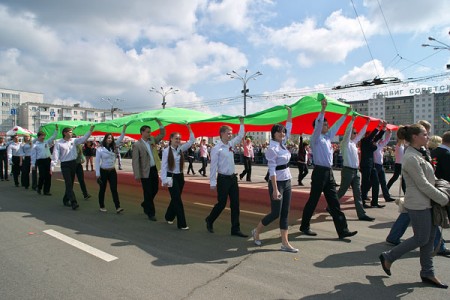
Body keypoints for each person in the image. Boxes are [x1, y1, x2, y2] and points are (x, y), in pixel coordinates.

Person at [379, 124, 449, 289]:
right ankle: (389, 256)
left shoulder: (421, 153)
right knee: (421, 238)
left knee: (429, 239)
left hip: (429, 202)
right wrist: (444, 199)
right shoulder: (410, 157)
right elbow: (423, 184)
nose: (428, 136)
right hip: (418, 204)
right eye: (424, 134)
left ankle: (427, 272)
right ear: (415, 137)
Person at [299, 98, 357, 239]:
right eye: (324, 124)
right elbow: (319, 125)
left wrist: (346, 115)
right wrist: (323, 110)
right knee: (313, 200)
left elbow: (337, 126)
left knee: (334, 203)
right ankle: (304, 226)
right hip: (319, 172)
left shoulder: (327, 137)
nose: (326, 125)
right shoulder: (316, 138)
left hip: (328, 173)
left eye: (327, 124)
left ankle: (343, 231)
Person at [251, 107, 298, 252]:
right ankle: (257, 231)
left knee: (285, 213)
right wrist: (276, 189)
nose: (282, 133)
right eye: (279, 131)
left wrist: (290, 113)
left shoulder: (283, 143)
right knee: (275, 213)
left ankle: (285, 243)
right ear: (273, 134)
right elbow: (272, 170)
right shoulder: (272, 148)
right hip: (277, 183)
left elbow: (288, 127)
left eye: (283, 132)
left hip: (287, 180)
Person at [205, 117, 247, 237]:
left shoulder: (230, 144)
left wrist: (241, 122)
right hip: (223, 179)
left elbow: (240, 135)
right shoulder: (216, 148)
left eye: (231, 133)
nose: (230, 135)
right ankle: (210, 219)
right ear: (222, 134)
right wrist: (212, 182)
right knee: (222, 203)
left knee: (235, 204)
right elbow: (213, 167)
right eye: (228, 133)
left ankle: (235, 229)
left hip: (233, 179)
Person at [336, 115, 375, 221]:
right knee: (342, 191)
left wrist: (366, 124)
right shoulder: (345, 143)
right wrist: (352, 121)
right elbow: (348, 131)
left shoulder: (354, 144)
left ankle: (361, 214)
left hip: (356, 171)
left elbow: (362, 133)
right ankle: (331, 206)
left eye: (355, 133)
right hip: (348, 171)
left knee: (358, 193)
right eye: (354, 133)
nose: (356, 134)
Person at [161, 124, 195, 230]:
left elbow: (191, 141)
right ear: (171, 139)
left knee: (175, 199)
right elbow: (164, 166)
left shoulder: (180, 149)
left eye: (179, 139)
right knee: (178, 201)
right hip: (171, 177)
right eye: (176, 138)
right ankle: (182, 224)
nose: (178, 140)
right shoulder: (166, 151)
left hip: (180, 177)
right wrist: (164, 180)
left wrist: (189, 129)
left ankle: (168, 216)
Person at [52, 125, 95, 210]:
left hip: (73, 163)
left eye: (71, 132)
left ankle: (65, 199)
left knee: (70, 184)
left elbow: (84, 138)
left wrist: (90, 130)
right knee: (68, 183)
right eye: (70, 132)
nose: (71, 133)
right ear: (65, 133)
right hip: (65, 165)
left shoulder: (74, 141)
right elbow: (55, 156)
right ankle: (73, 202)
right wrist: (52, 167)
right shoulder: (59, 143)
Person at [132, 120, 165, 221]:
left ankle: (145, 203)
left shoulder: (152, 140)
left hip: (153, 169)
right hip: (144, 172)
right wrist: (137, 175)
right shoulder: (137, 145)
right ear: (142, 132)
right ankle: (151, 213)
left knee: (155, 189)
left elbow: (162, 134)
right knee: (147, 192)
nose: (149, 133)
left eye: (150, 131)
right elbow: (135, 161)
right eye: (147, 131)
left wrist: (160, 123)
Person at [95, 125, 127, 213]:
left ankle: (118, 207)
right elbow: (97, 162)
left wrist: (124, 129)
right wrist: (97, 174)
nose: (110, 139)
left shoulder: (114, 146)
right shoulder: (100, 149)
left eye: (111, 138)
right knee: (102, 189)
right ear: (105, 139)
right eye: (108, 138)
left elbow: (121, 138)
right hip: (103, 171)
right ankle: (102, 205)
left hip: (112, 171)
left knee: (114, 189)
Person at [430, 131, 450, 256]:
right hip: (445, 189)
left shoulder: (434, 152)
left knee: (435, 218)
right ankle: (439, 245)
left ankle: (438, 244)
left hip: (435, 188)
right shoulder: (447, 154)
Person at [360, 120, 386, 208]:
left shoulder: (370, 141)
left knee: (376, 182)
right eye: (371, 135)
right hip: (365, 165)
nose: (373, 137)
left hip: (372, 165)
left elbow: (378, 137)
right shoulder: (364, 141)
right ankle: (362, 201)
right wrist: (378, 126)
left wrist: (384, 128)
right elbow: (373, 136)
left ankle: (374, 202)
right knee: (365, 183)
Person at [31, 125, 58, 195]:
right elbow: (33, 155)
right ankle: (39, 188)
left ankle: (46, 191)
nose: (43, 137)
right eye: (42, 136)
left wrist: (56, 130)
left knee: (48, 176)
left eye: (44, 136)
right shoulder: (35, 145)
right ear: (38, 137)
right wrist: (33, 164)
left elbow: (53, 137)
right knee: (42, 176)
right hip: (40, 161)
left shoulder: (46, 142)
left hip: (48, 160)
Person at [372, 128, 397, 203]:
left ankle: (387, 197)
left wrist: (389, 133)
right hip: (375, 165)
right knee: (372, 183)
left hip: (380, 165)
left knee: (383, 182)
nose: (380, 140)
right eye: (379, 138)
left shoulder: (380, 145)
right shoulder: (374, 145)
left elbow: (386, 140)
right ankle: (364, 194)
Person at [387, 128, 406, 194]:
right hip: (398, 164)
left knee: (402, 178)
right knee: (396, 177)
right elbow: (401, 139)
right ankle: (386, 189)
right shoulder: (399, 145)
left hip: (401, 163)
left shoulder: (403, 145)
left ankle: (405, 192)